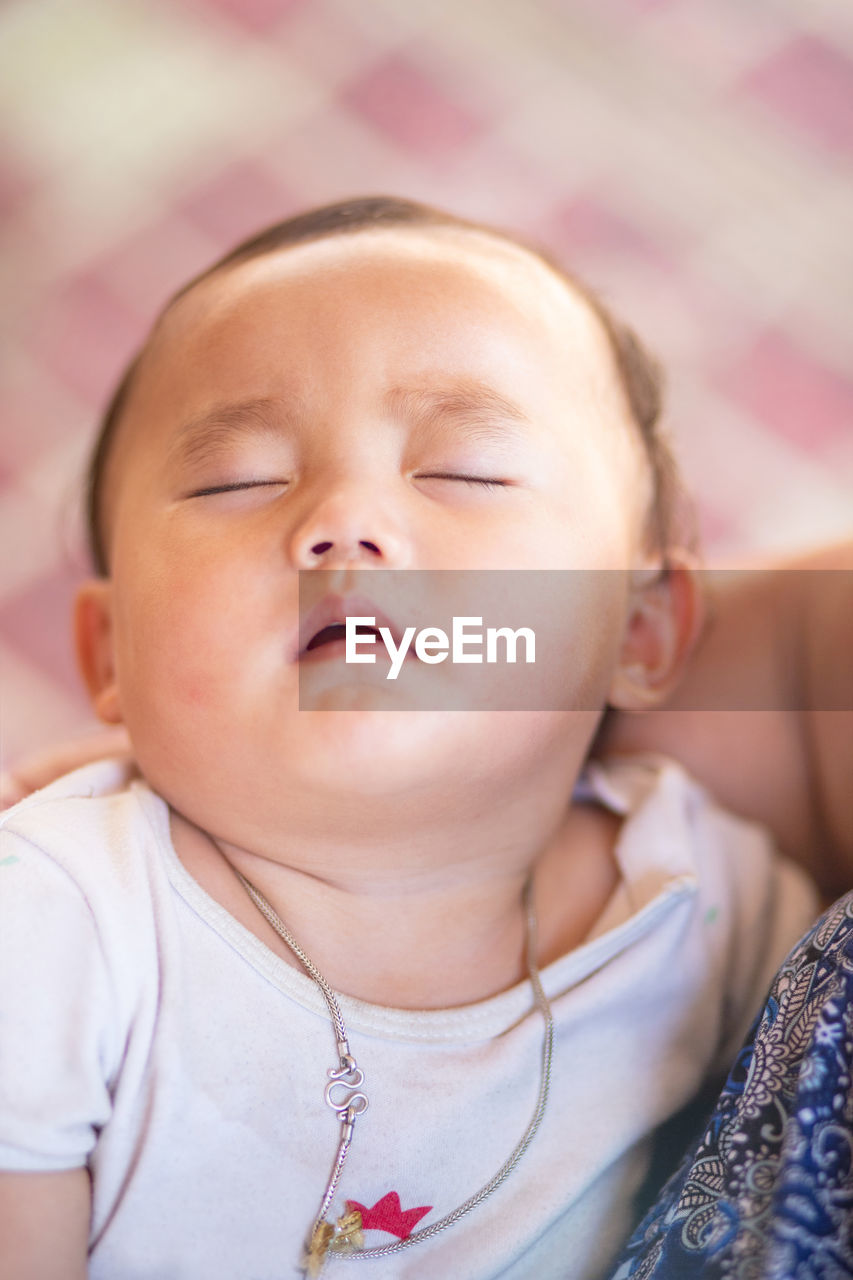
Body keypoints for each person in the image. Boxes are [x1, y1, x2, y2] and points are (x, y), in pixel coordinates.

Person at [0, 197, 826, 1280]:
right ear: (111, 654)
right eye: (237, 478)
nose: (343, 520)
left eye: (464, 470)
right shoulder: (60, 921)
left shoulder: (704, 901)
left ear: (640, 624)